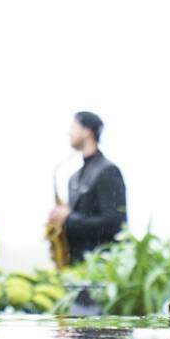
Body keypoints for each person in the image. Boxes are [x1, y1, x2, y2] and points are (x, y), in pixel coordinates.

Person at [48, 111, 127, 261]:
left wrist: (69, 218)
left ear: (87, 131)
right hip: (76, 263)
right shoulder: (74, 178)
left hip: (102, 266)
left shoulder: (108, 171)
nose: (68, 133)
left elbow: (115, 224)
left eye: (73, 127)